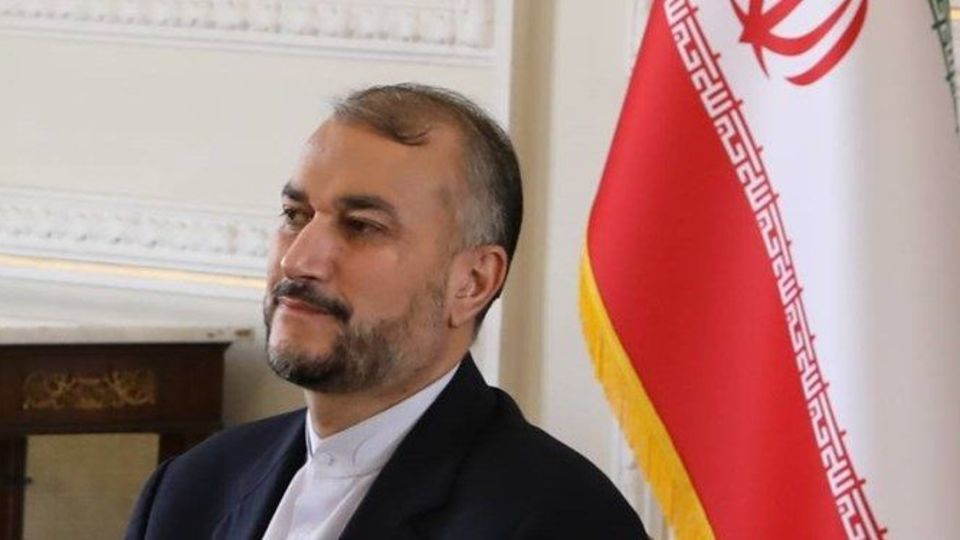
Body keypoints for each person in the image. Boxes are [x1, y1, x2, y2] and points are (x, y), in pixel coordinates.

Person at [125, 83, 648, 539]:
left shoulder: (561, 520)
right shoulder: (192, 488)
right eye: (295, 215)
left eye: (362, 226)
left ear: (472, 282)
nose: (298, 260)